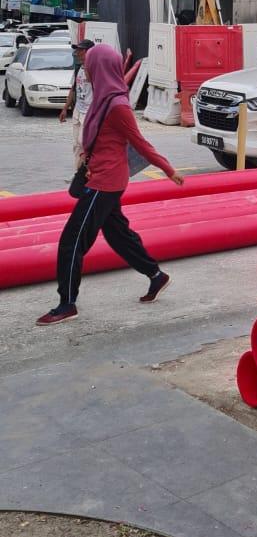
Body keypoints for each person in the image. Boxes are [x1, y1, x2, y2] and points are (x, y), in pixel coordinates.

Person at [37, 43, 184, 326]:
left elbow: (141, 143)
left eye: (89, 65)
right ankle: (156, 276)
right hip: (102, 177)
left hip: (106, 183)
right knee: (118, 235)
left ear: (100, 68)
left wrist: (168, 170)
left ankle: (67, 304)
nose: (86, 70)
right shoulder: (103, 97)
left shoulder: (117, 105)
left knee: (71, 241)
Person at [59, 39, 95, 170]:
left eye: (81, 50)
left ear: (89, 52)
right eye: (77, 50)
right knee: (76, 144)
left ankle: (88, 170)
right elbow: (73, 89)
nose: (77, 53)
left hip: (89, 112)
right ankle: (77, 173)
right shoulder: (78, 69)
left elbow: (92, 81)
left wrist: (87, 63)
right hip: (78, 110)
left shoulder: (94, 68)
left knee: (83, 142)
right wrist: (65, 109)